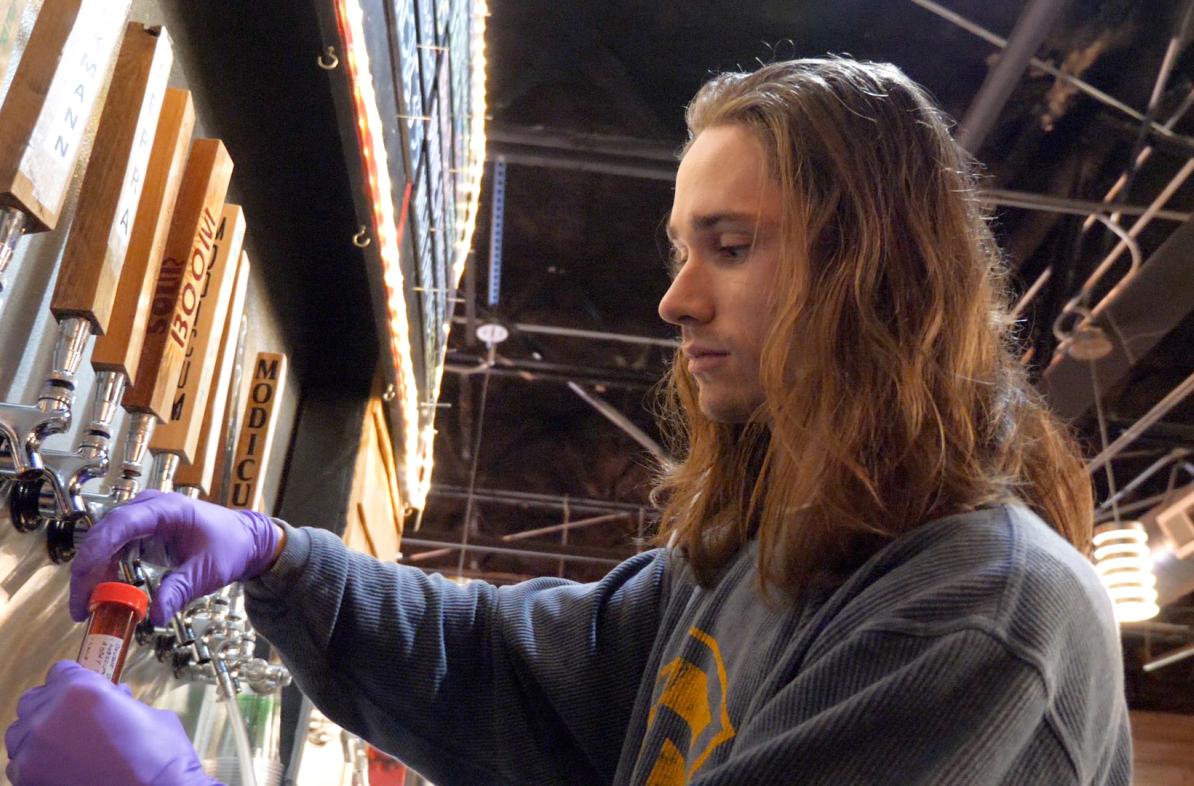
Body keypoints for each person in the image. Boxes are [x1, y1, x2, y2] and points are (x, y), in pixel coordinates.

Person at [4, 57, 1130, 786]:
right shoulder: (762, 551)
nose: (676, 299)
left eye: (729, 247)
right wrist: (284, 560)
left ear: (872, 270)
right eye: (682, 248)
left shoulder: (983, 615)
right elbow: (506, 670)